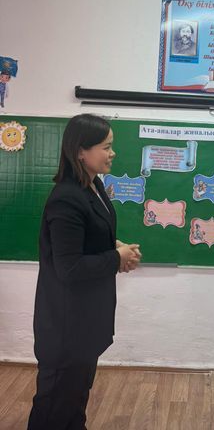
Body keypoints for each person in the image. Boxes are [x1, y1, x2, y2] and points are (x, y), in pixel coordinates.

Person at [28, 114, 142, 430]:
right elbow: (69, 267)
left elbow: (88, 236)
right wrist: (115, 258)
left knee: (75, 400)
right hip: (66, 326)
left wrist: (117, 248)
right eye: (106, 147)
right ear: (80, 151)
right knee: (54, 405)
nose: (112, 153)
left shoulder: (94, 186)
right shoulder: (66, 198)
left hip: (86, 320)